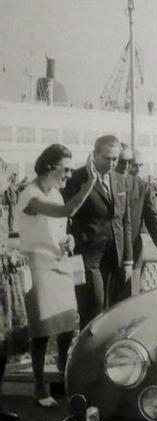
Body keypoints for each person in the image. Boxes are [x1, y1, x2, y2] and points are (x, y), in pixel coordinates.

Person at [17, 144, 97, 407]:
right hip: (38, 265)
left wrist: (68, 239)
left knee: (65, 326)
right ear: (51, 167)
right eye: (67, 168)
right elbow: (66, 212)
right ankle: (39, 389)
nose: (70, 174)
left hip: (60, 264)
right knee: (41, 332)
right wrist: (90, 183)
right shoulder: (31, 194)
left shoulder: (55, 193)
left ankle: (64, 378)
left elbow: (59, 225)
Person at [63, 135, 133, 330]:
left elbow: (125, 221)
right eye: (107, 158)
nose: (112, 163)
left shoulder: (120, 180)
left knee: (116, 311)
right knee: (93, 308)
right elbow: (68, 215)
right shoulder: (76, 179)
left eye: (115, 159)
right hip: (89, 257)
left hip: (115, 256)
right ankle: (88, 355)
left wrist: (128, 259)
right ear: (94, 155)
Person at [116, 145, 157, 297]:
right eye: (125, 162)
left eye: (135, 164)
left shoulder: (141, 185)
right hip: (110, 254)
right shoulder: (105, 184)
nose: (132, 167)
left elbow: (151, 215)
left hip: (133, 249)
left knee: (131, 298)